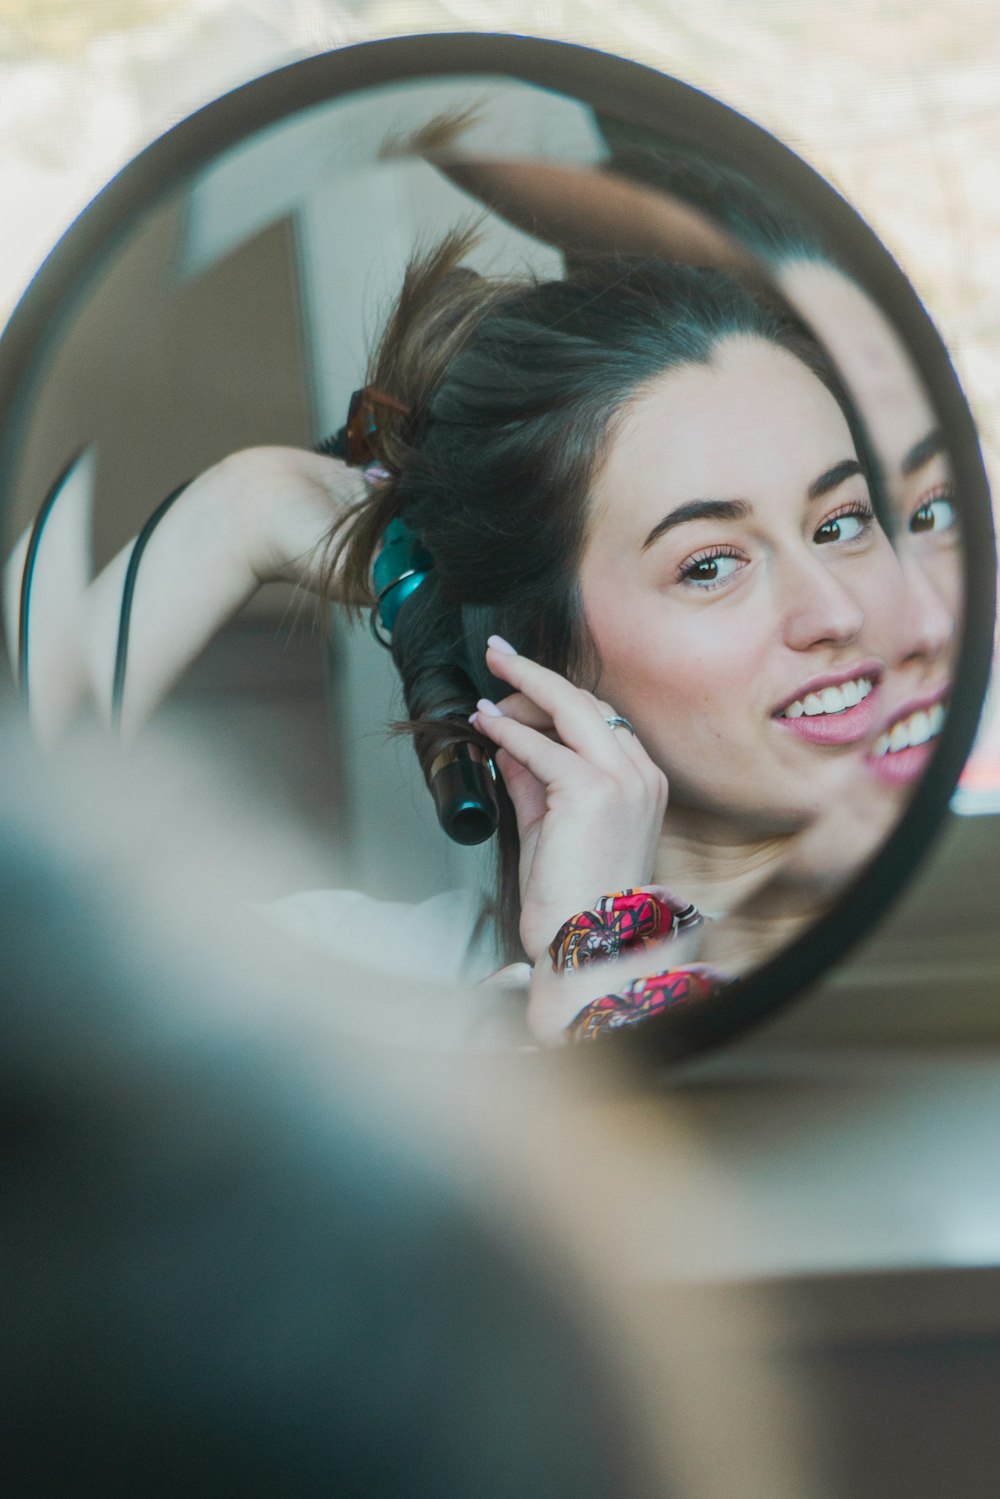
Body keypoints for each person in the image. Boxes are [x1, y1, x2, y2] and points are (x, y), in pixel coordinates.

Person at [4, 221, 955, 1046]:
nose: (838, 610)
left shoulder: (957, 934)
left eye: (842, 523)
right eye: (710, 564)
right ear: (540, 665)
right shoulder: (365, 1002)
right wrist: (239, 510)